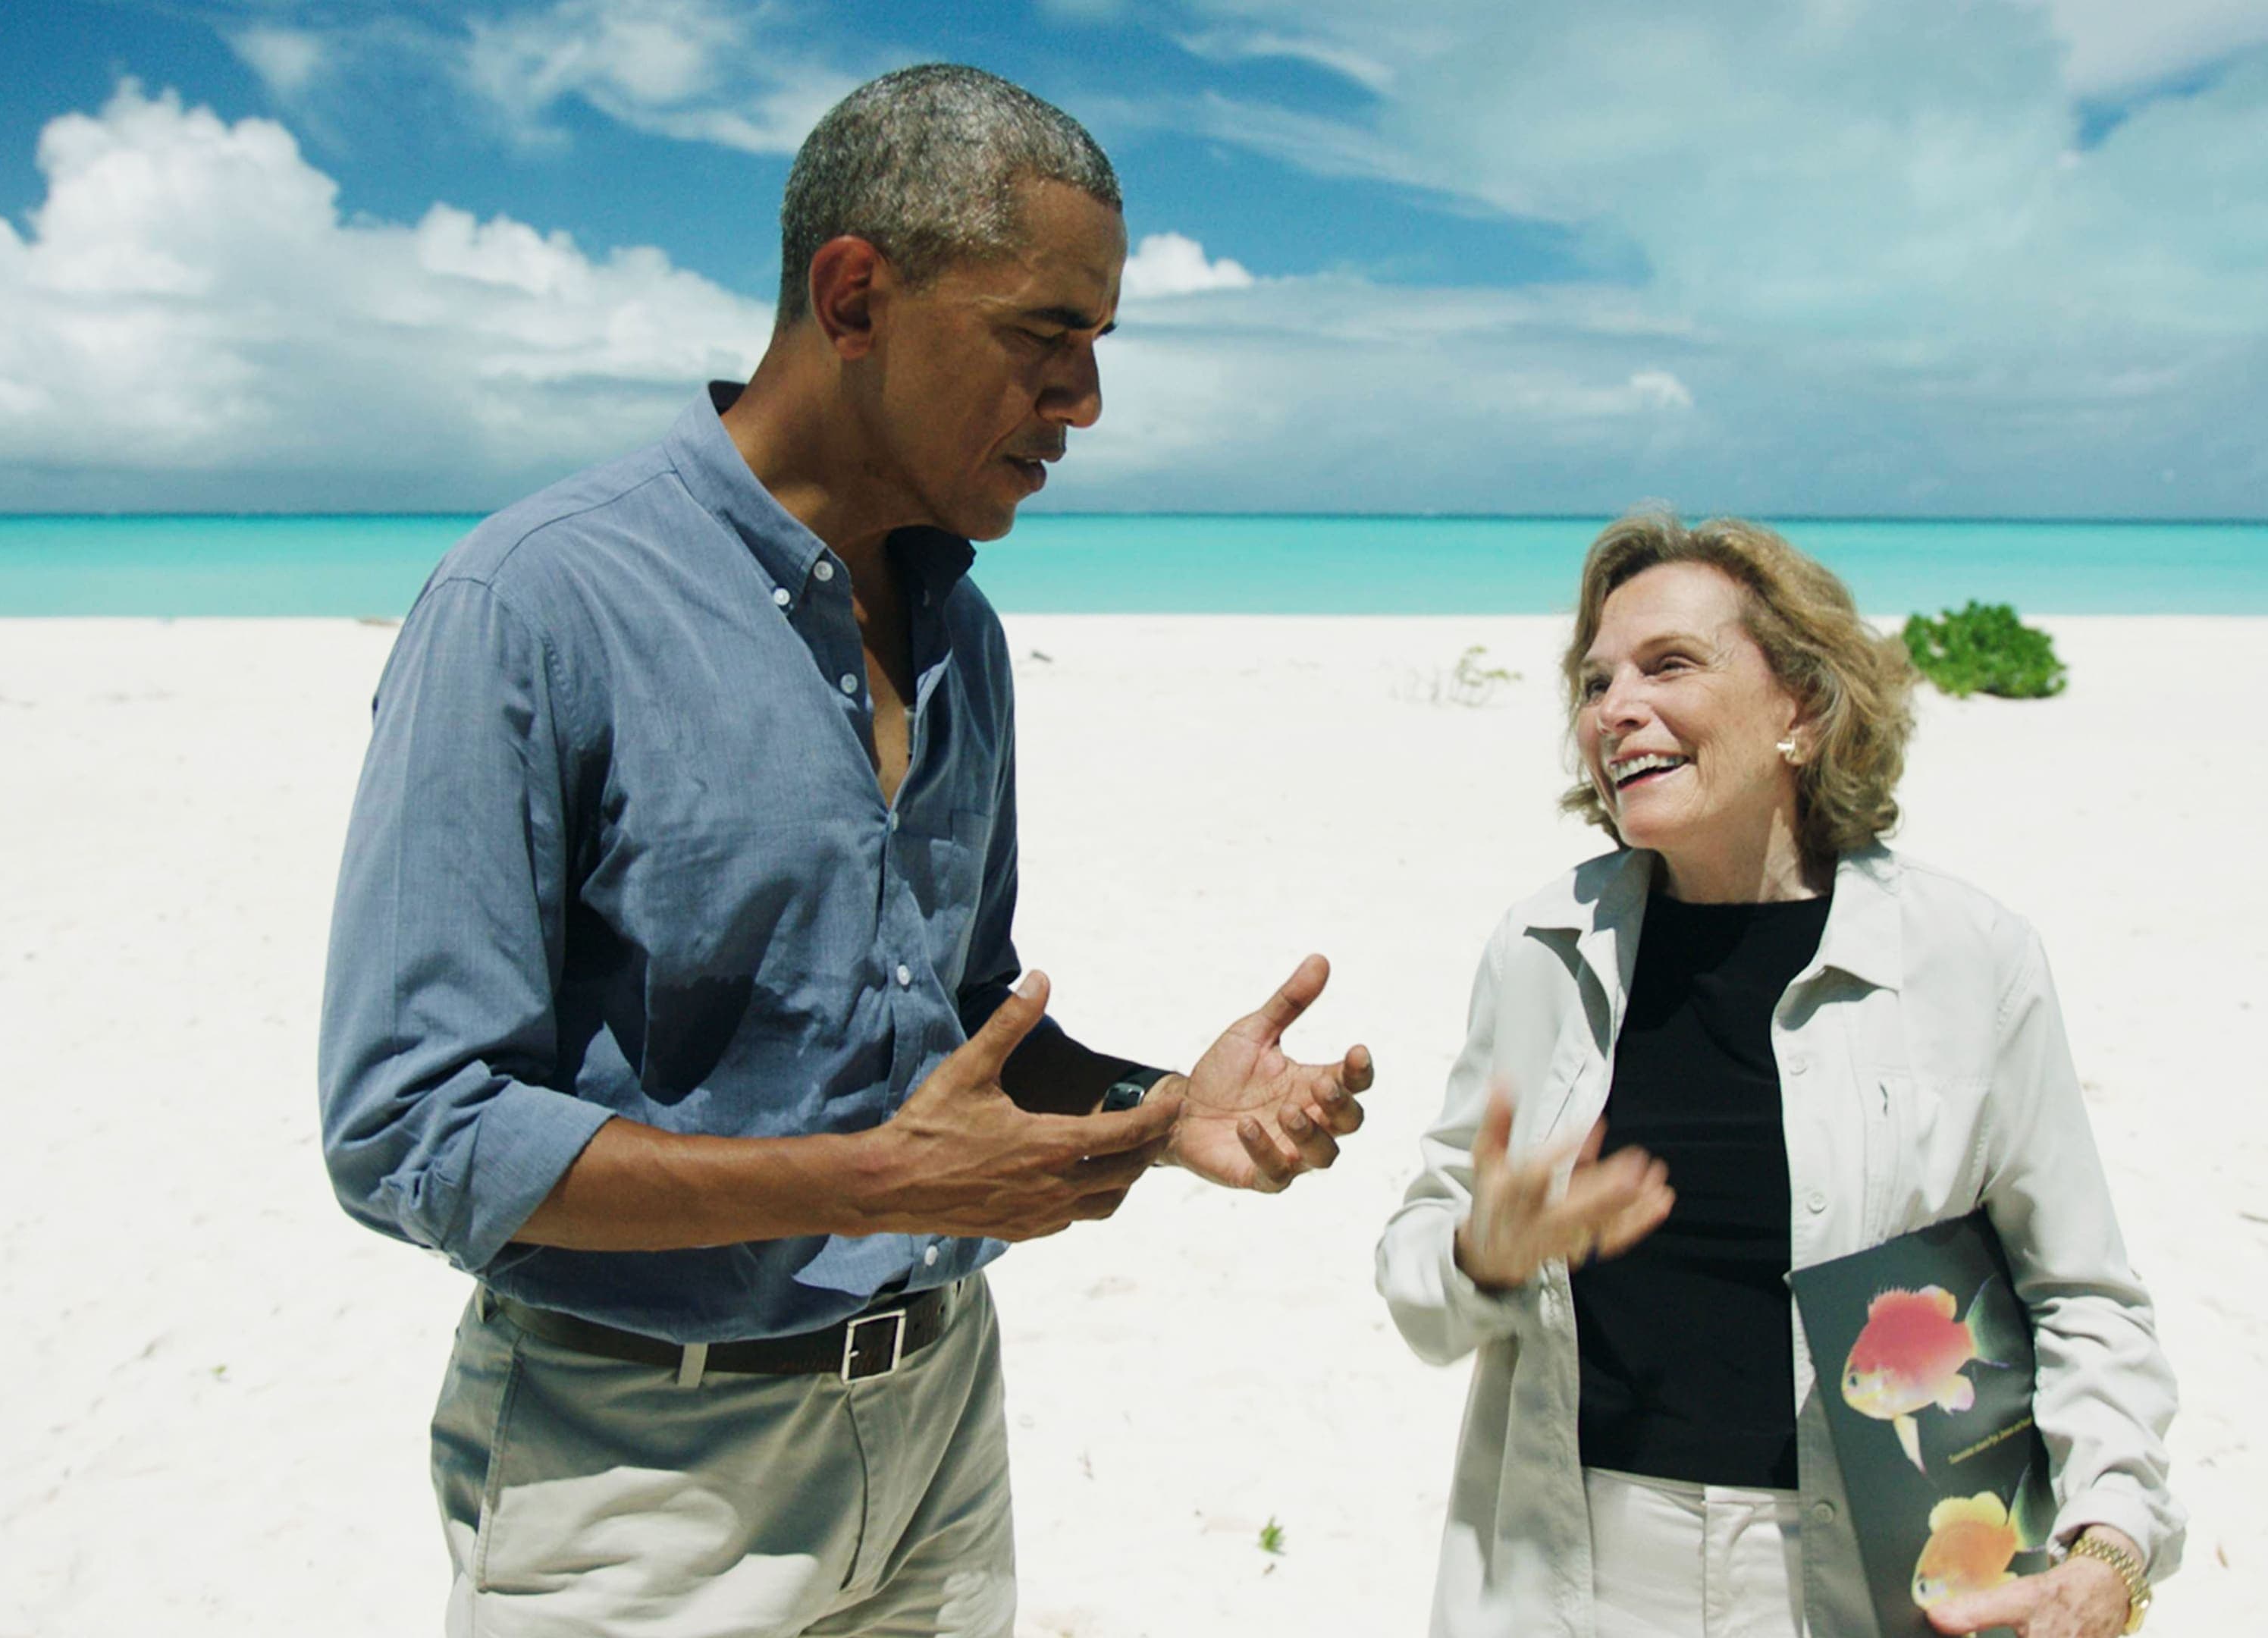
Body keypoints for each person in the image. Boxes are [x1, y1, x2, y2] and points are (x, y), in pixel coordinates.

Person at [319, 64, 1374, 1638]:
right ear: (856, 296)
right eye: (1047, 335)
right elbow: (410, 1130)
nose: (1086, 400)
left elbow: (953, 1019)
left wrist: (1156, 1110)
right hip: (640, 1467)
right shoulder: (535, 605)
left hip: (942, 1429)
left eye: (1100, 342)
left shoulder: (965, 636)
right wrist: (869, 1184)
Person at [1375, 513, 2182, 1638]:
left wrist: (2112, 1546)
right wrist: (1480, 1256)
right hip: (1575, 1567)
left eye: (1669, 665)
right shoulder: (1542, 950)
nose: (1614, 709)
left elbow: (2079, 1293)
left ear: (1801, 708)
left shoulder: (1966, 959)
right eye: (1597, 681)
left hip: (1872, 1578)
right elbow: (1419, 1273)